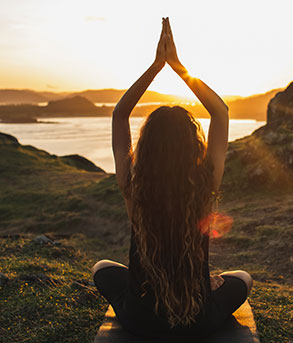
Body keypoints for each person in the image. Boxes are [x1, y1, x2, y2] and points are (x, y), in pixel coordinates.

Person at [92, 17, 253, 339]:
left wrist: (156, 66)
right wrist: (179, 67)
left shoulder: (134, 189)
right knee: (241, 277)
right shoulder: (204, 185)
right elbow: (220, 112)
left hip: (141, 320)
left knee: (101, 268)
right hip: (199, 318)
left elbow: (119, 114)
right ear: (192, 144)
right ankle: (207, 284)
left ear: (147, 146)